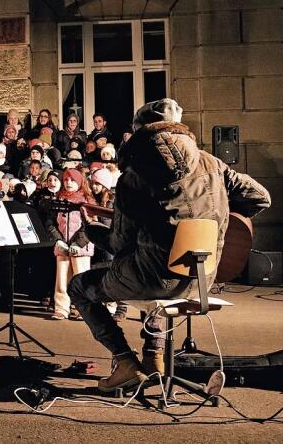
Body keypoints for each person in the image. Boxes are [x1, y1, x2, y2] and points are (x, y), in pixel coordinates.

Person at [68, 99, 271, 392]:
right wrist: (225, 217)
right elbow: (260, 197)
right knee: (147, 264)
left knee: (80, 286)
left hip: (153, 280)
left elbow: (119, 242)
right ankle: (155, 358)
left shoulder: (134, 176)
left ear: (139, 132)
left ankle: (125, 362)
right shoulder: (212, 163)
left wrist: (92, 230)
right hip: (201, 279)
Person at [45, 169, 94, 320]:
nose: (68, 183)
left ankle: (82, 309)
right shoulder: (58, 199)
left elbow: (90, 225)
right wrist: (58, 239)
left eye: (72, 180)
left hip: (80, 248)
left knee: (81, 279)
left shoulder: (87, 201)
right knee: (62, 279)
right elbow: (50, 222)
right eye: (66, 180)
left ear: (79, 182)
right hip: (62, 247)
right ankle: (61, 308)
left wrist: (79, 243)